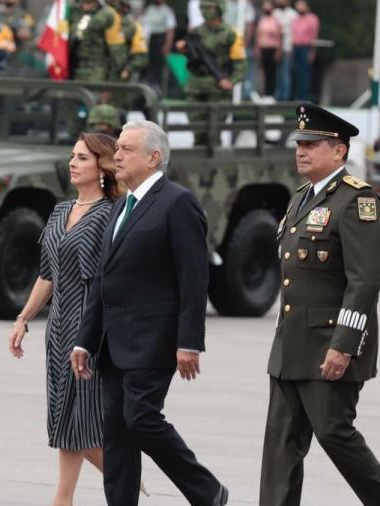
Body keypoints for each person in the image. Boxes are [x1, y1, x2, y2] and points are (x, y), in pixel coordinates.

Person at [260, 103, 380, 506]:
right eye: (300, 143)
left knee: (335, 434)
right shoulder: (301, 198)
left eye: (312, 144)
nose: (302, 151)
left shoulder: (355, 203)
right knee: (281, 446)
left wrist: (344, 344)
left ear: (339, 151)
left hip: (330, 345)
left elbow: (364, 282)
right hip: (291, 346)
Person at [70, 119, 229, 506]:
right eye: (118, 147)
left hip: (154, 339)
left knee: (141, 418)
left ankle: (207, 492)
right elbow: (104, 280)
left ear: (154, 157)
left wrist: (189, 342)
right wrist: (85, 340)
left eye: (126, 149)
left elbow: (194, 277)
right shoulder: (123, 204)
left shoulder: (177, 202)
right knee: (117, 434)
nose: (117, 154)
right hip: (113, 342)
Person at [9, 132, 119, 506]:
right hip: (56, 330)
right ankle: (81, 492)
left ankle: (112, 482)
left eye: (83, 158)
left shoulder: (110, 215)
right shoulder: (59, 210)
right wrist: (23, 318)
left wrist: (93, 333)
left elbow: (109, 280)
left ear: (103, 167)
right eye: (72, 156)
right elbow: (47, 275)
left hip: (89, 328)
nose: (73, 163)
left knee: (82, 421)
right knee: (64, 422)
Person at [176, 0, 247, 146]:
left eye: (208, 7)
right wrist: (184, 50)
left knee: (214, 133)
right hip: (196, 87)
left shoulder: (230, 34)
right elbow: (192, 57)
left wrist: (231, 81)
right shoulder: (196, 32)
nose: (204, 11)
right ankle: (198, 167)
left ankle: (215, 168)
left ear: (219, 9)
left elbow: (241, 65)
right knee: (198, 132)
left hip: (217, 89)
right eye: (202, 8)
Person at [69, 0, 127, 82]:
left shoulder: (108, 14)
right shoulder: (72, 11)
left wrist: (111, 83)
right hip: (71, 72)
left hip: (96, 73)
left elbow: (117, 53)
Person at [140, 0, 177, 92]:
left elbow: (170, 30)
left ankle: (158, 91)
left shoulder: (168, 11)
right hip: (148, 40)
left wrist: (167, 46)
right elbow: (144, 25)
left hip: (160, 40)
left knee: (158, 68)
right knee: (146, 66)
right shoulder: (149, 9)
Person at [289, 0, 318, 101]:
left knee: (304, 74)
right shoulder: (295, 19)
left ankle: (304, 97)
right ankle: (296, 97)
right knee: (296, 73)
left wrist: (312, 52)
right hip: (296, 48)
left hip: (305, 48)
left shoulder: (312, 18)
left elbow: (314, 36)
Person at [254, 1, 282, 97]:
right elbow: (258, 35)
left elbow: (279, 36)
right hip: (263, 48)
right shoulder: (262, 19)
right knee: (264, 72)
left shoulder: (276, 20)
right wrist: (257, 49)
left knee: (272, 72)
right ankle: (266, 93)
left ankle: (272, 93)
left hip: (272, 49)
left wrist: (278, 50)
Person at [272, 0, 296, 101]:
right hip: (275, 47)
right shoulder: (275, 13)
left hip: (287, 47)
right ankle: (277, 95)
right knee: (277, 73)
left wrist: (291, 48)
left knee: (286, 74)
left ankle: (285, 97)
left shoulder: (293, 14)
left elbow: (293, 33)